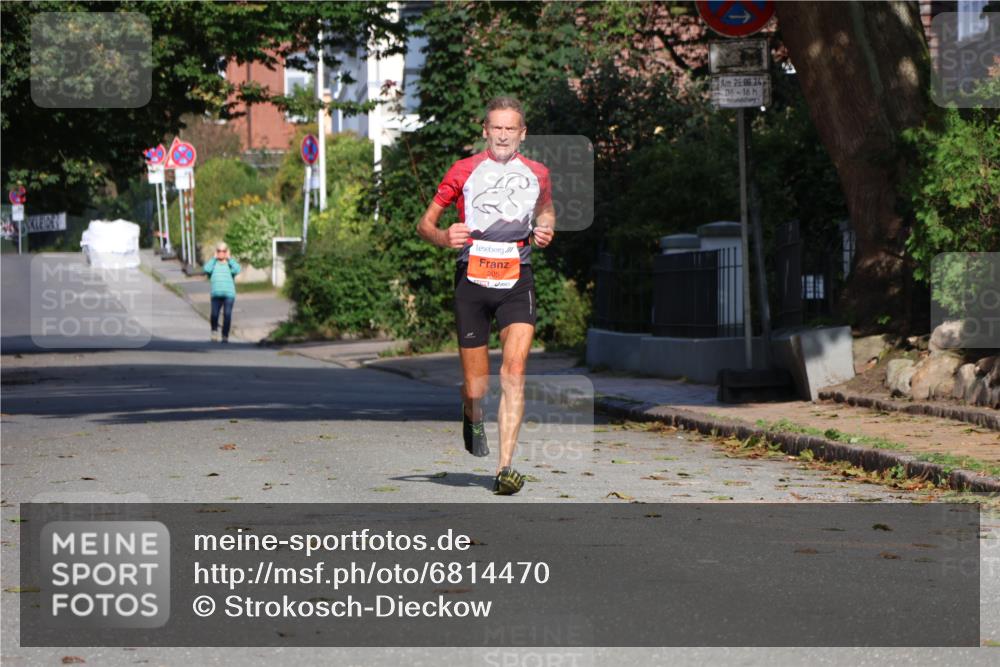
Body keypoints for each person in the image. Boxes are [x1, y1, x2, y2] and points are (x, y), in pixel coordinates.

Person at [416, 96, 555, 495]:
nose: (504, 135)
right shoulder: (463, 170)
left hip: (517, 278)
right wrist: (443, 237)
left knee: (514, 372)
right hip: (472, 281)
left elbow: (547, 212)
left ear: (522, 134)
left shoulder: (538, 174)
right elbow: (425, 224)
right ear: (485, 131)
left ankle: (505, 468)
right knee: (476, 387)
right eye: (497, 127)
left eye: (511, 129)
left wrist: (546, 230)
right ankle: (472, 414)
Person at [202, 242, 241, 343]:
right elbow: (206, 269)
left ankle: (225, 335)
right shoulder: (214, 264)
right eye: (219, 251)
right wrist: (214, 258)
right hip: (216, 294)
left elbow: (238, 269)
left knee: (227, 315)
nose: (221, 253)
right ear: (216, 252)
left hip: (229, 294)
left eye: (223, 251)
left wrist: (229, 258)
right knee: (214, 314)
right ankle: (214, 332)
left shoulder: (229, 264)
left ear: (227, 252)